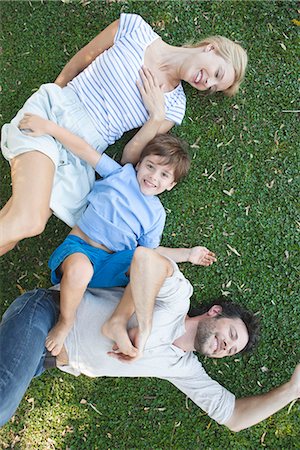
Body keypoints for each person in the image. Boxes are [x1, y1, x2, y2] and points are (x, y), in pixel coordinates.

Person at [0, 13, 248, 255]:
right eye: (217, 73)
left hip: (82, 153)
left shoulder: (173, 107)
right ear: (211, 48)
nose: (208, 84)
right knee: (30, 220)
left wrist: (155, 118)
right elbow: (79, 61)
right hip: (55, 113)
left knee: (12, 229)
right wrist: (54, 95)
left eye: (214, 87)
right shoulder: (135, 28)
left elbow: (130, 161)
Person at [0, 248, 299, 430]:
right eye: (231, 334)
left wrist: (291, 390)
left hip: (46, 359)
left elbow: (233, 416)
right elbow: (145, 259)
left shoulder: (183, 368)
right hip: (45, 315)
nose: (226, 346)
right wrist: (141, 327)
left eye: (231, 350)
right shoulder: (179, 300)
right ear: (215, 312)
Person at [16, 111, 214, 357]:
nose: (153, 177)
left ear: (171, 185)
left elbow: (149, 253)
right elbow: (86, 151)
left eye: (164, 175)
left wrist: (188, 254)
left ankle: (119, 322)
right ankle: (66, 322)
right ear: (139, 164)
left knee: (145, 263)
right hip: (79, 249)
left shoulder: (156, 215)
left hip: (113, 266)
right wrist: (48, 127)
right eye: (150, 166)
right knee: (81, 270)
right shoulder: (122, 175)